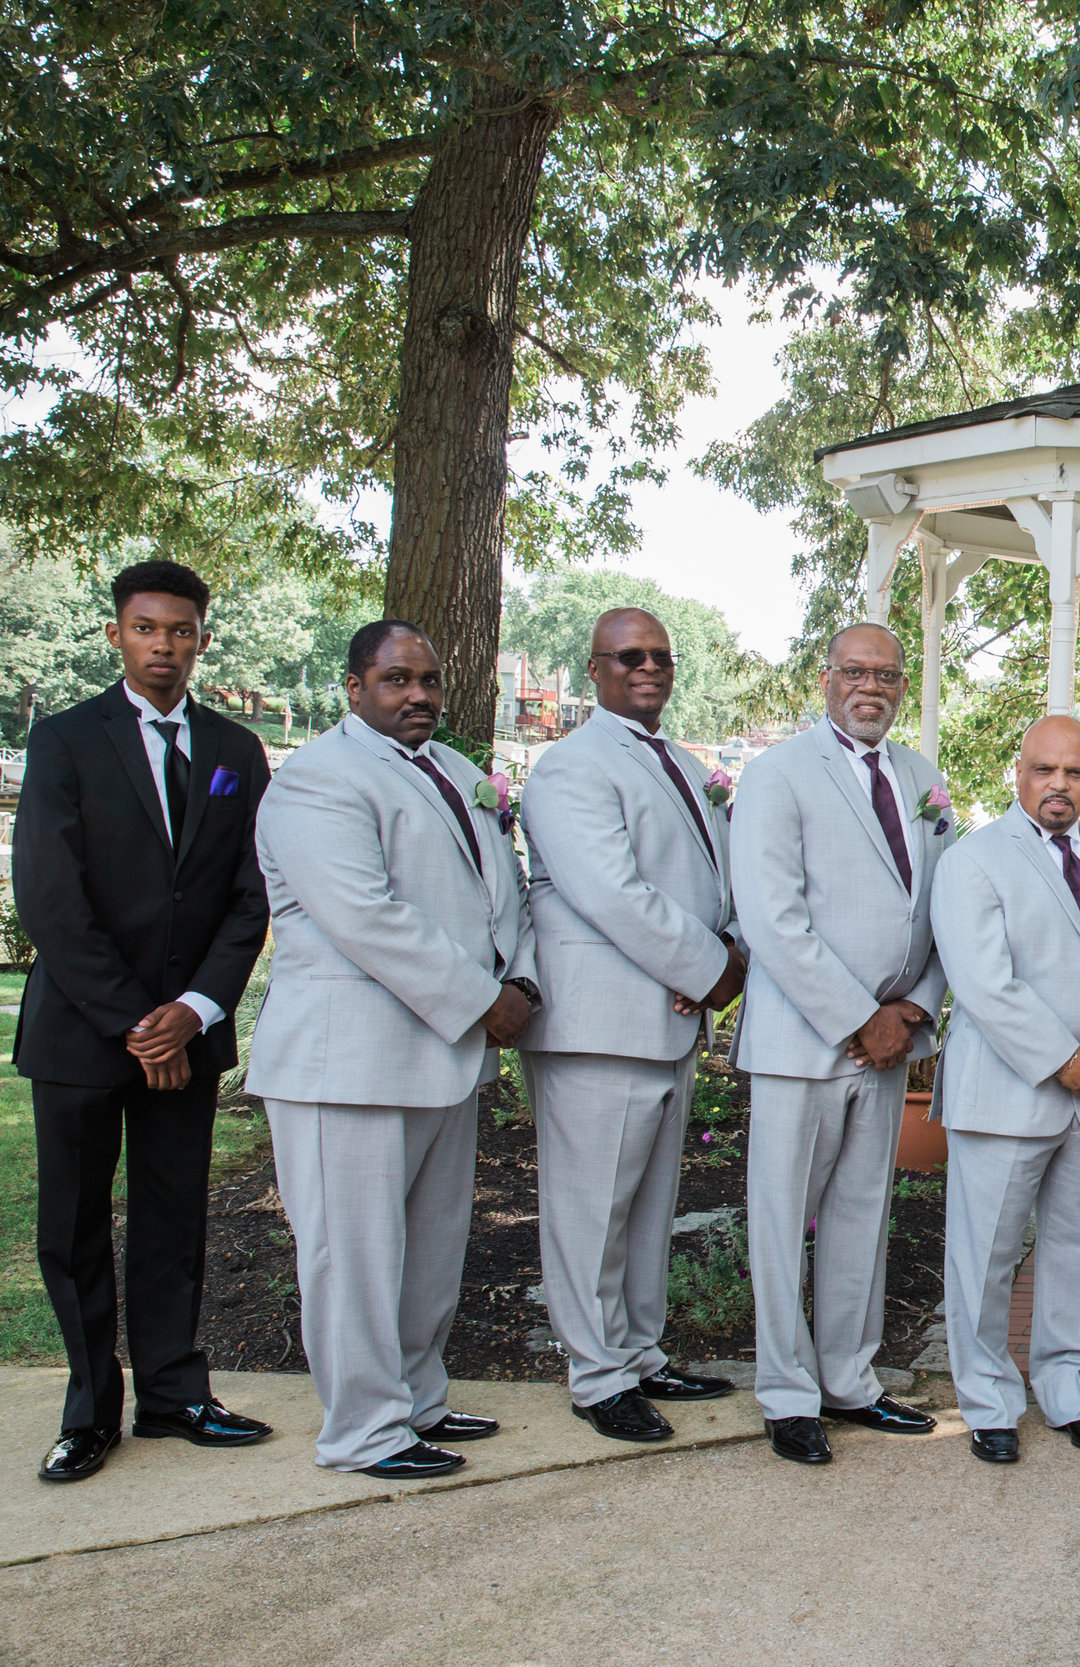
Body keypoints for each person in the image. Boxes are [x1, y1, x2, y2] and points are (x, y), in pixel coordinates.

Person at [248, 621, 538, 1478]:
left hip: (442, 1057)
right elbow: (367, 917)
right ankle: (362, 1430)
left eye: (429, 679)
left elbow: (505, 893)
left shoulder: (457, 773)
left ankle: (417, 1399)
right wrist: (485, 1001)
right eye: (395, 679)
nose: (418, 695)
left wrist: (519, 980)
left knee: (432, 1243)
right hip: (350, 1061)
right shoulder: (316, 781)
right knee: (353, 1255)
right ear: (353, 687)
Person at [11, 560, 276, 1483]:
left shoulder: (237, 750)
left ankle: (174, 1394)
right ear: (117, 634)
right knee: (75, 1226)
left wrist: (193, 1013)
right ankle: (90, 1410)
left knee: (174, 1221)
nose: (164, 644)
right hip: (83, 1034)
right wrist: (139, 1022)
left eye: (181, 629)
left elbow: (250, 898)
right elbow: (49, 898)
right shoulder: (65, 741)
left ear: (203, 636)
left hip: (189, 1034)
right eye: (145, 627)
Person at [515, 608, 745, 1443]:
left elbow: (718, 881)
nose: (647, 668)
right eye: (629, 656)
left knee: (647, 1204)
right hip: (600, 1021)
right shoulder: (569, 768)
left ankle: (642, 1351)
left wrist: (726, 946)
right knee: (590, 1205)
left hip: (669, 1015)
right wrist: (708, 968)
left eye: (659, 656)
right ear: (595, 669)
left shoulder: (683, 763)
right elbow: (610, 891)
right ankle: (595, 1371)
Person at [732, 623, 951, 1466]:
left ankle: (851, 1379)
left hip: (890, 1042)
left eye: (888, 673)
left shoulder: (922, 780)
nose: (872, 686)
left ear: (903, 684)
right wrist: (859, 1016)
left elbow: (939, 912)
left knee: (863, 1216)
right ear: (825, 680)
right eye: (855, 671)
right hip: (804, 1040)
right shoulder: (779, 773)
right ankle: (788, 1395)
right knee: (784, 1220)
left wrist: (915, 1009)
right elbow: (771, 916)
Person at [929, 717, 1080, 1466]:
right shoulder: (975, 860)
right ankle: (989, 1400)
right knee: (985, 1256)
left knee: (1075, 1253)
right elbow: (984, 983)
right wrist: (1063, 1058)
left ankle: (1068, 1392)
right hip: (1006, 1092)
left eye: (1077, 772)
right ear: (1017, 771)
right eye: (1045, 769)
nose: (1060, 784)